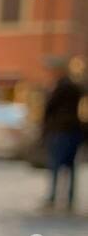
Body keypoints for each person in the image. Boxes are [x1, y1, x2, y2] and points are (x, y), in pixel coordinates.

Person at [42, 65, 85, 210]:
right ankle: (70, 199)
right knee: (71, 166)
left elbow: (49, 109)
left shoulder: (59, 90)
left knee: (56, 165)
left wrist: (45, 130)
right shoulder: (77, 89)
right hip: (74, 130)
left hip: (59, 131)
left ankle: (53, 197)